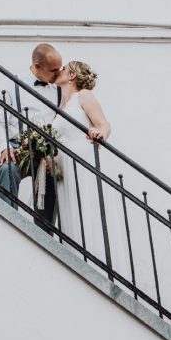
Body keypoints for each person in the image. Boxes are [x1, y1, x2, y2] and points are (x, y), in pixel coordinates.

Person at [50, 61, 122, 267]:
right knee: (72, 211)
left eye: (63, 69)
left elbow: (104, 124)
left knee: (88, 210)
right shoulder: (62, 104)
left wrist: (101, 133)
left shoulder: (83, 96)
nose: (59, 70)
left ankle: (98, 264)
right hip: (65, 164)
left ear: (72, 75)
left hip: (83, 157)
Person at [0, 43, 63, 227]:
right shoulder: (13, 84)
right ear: (37, 66)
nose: (58, 74)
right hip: (18, 147)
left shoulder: (59, 89)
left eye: (59, 69)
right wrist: (5, 148)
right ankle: (7, 224)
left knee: (52, 182)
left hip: (47, 153)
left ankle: (45, 235)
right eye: (53, 70)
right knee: (7, 170)